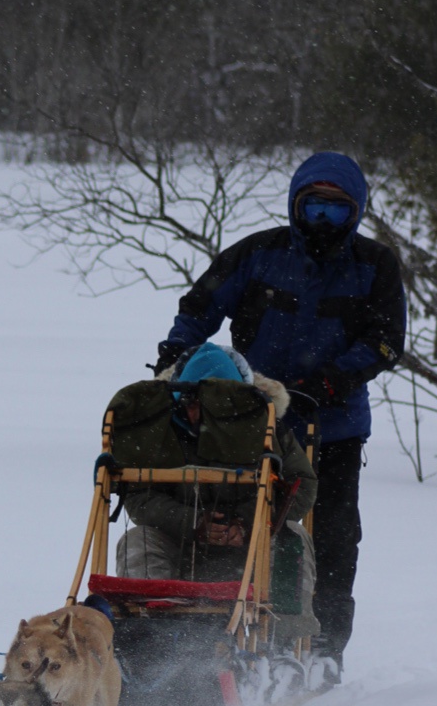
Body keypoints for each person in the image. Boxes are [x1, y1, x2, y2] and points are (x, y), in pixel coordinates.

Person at [154, 152, 406, 668]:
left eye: (336, 211)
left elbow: (386, 341)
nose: (322, 221)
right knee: (236, 522)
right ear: (296, 205)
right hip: (244, 420)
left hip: (333, 426)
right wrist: (175, 355)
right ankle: (219, 627)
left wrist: (329, 380)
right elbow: (201, 304)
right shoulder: (258, 253)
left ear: (354, 213)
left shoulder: (374, 265)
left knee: (332, 535)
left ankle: (323, 643)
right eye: (313, 207)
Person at [114, 343, 319, 632]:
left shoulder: (267, 428)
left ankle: (281, 643)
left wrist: (246, 523)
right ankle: (148, 636)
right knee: (137, 541)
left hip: (251, 548)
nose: (195, 415)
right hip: (181, 545)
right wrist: (192, 522)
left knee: (292, 538)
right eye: (189, 404)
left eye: (206, 405)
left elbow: (301, 487)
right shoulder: (158, 432)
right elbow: (138, 496)